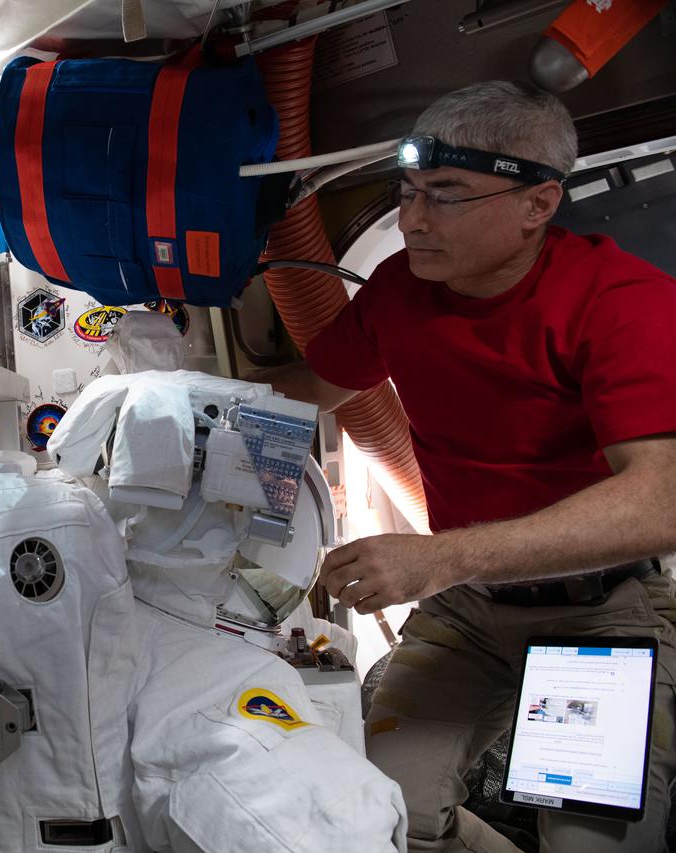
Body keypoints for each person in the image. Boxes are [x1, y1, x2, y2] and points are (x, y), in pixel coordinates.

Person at [248, 80, 676, 852]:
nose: (412, 219)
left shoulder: (623, 302)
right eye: (405, 192)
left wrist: (436, 558)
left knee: (587, 844)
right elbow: (312, 389)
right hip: (470, 611)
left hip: (600, 614)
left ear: (537, 205)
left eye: (445, 195)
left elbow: (661, 503)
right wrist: (160, 394)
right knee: (371, 816)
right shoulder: (399, 291)